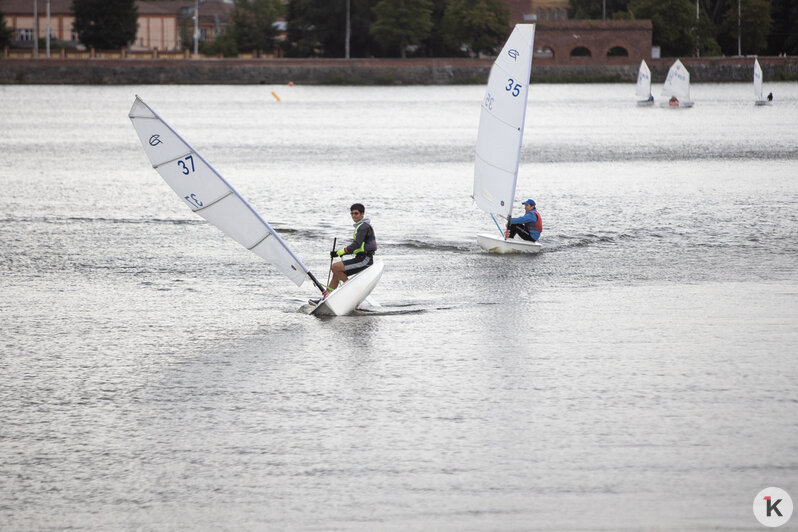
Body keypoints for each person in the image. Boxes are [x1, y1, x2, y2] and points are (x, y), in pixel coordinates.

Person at [315, 203, 377, 301]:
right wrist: (338, 253)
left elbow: (356, 245)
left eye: (356, 213)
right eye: (351, 213)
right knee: (336, 273)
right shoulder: (360, 226)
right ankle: (326, 298)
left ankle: (352, 293)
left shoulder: (363, 227)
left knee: (335, 267)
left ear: (362, 214)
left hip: (365, 259)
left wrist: (340, 252)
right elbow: (357, 248)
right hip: (360, 257)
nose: (353, 216)